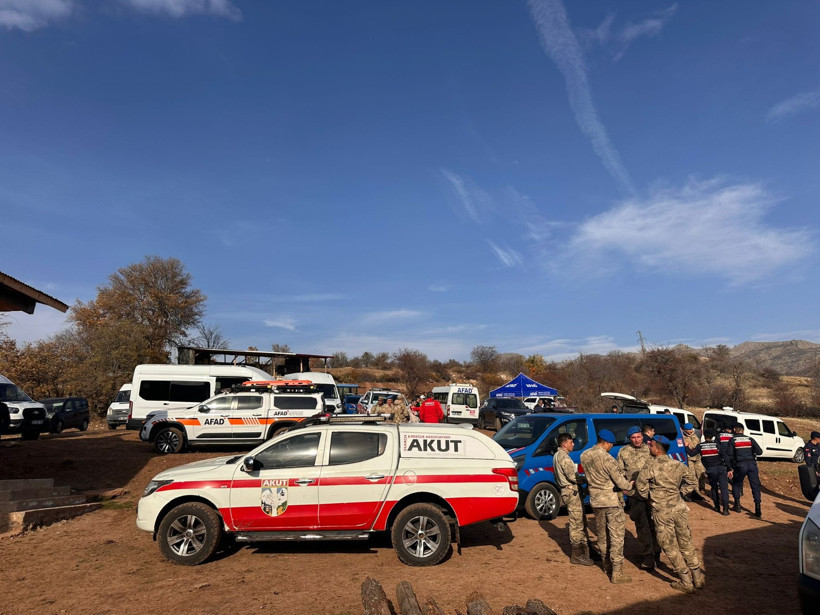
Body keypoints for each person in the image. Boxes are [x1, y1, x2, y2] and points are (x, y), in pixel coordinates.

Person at [635, 435, 705, 594]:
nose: (649, 447)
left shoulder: (650, 466)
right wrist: (680, 493)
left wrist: (650, 498)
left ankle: (686, 580)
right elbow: (693, 482)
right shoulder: (678, 464)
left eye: (651, 445)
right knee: (685, 541)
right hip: (679, 508)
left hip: (661, 511)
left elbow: (640, 486)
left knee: (668, 544)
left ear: (657, 449)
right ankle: (698, 577)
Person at [579, 429, 634, 584]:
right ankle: (617, 572)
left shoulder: (585, 455)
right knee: (616, 536)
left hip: (595, 500)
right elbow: (621, 482)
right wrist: (629, 485)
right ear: (608, 443)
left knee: (602, 535)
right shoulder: (608, 459)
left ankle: (606, 565)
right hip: (611, 500)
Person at [617, 425, 659, 570]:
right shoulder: (623, 452)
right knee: (642, 526)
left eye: (638, 437)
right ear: (629, 438)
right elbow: (620, 472)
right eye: (633, 438)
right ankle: (648, 556)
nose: (636, 440)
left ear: (643, 436)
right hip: (635, 495)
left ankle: (657, 552)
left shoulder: (650, 449)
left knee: (656, 524)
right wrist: (625, 486)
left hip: (652, 494)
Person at [553, 433, 593, 566]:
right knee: (577, 524)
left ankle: (586, 551)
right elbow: (572, 477)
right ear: (564, 444)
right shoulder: (565, 458)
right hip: (572, 492)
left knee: (580, 521)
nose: (573, 444)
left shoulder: (557, 456)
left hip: (569, 491)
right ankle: (577, 554)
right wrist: (587, 479)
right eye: (571, 442)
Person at [688, 428, 733, 515]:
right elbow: (725, 457)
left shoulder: (700, 446)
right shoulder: (717, 445)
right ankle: (726, 509)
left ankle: (716, 507)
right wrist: (729, 468)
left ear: (704, 436)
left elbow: (691, 454)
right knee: (724, 489)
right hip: (721, 469)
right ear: (712, 437)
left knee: (714, 488)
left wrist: (686, 446)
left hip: (710, 470)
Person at [729, 423, 763, 518]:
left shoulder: (733, 440)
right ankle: (758, 508)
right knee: (755, 486)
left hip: (740, 465)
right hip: (752, 465)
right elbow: (760, 452)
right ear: (743, 430)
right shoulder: (750, 439)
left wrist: (732, 466)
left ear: (735, 430)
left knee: (736, 483)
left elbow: (730, 454)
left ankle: (737, 505)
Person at [682, 423, 707, 493]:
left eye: (691, 429)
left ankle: (702, 488)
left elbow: (694, 445)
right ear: (685, 430)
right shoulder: (682, 437)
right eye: (688, 429)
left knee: (701, 473)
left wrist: (688, 445)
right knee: (692, 475)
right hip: (689, 459)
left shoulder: (695, 436)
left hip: (697, 458)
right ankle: (695, 492)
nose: (690, 431)